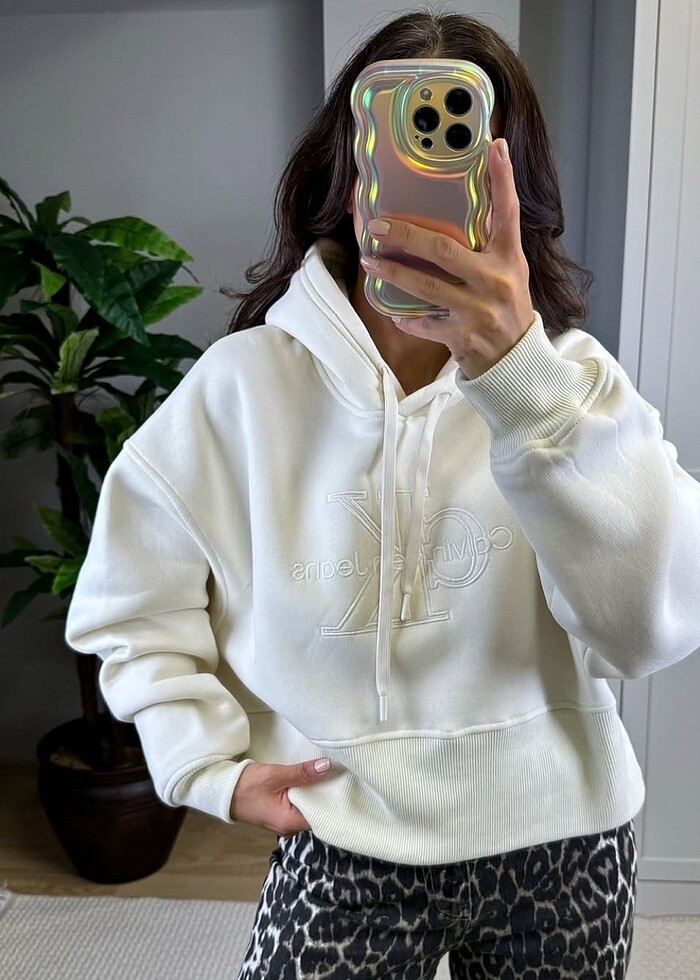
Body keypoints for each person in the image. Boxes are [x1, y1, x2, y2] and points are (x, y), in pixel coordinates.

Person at [65, 10, 700, 980]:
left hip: (564, 834)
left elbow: (647, 630)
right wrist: (205, 763)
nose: (419, 195)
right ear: (346, 172)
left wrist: (522, 384)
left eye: (457, 156)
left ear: (509, 193)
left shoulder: (574, 388)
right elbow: (131, 604)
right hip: (343, 823)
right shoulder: (241, 389)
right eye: (395, 150)